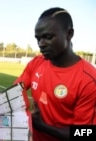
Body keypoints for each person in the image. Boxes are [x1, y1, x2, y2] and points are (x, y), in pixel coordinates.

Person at [13, 7, 96, 141]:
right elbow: (17, 88)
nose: (41, 44)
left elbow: (85, 133)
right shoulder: (36, 63)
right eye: (38, 39)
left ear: (69, 34)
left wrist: (43, 126)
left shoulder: (88, 80)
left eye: (48, 37)